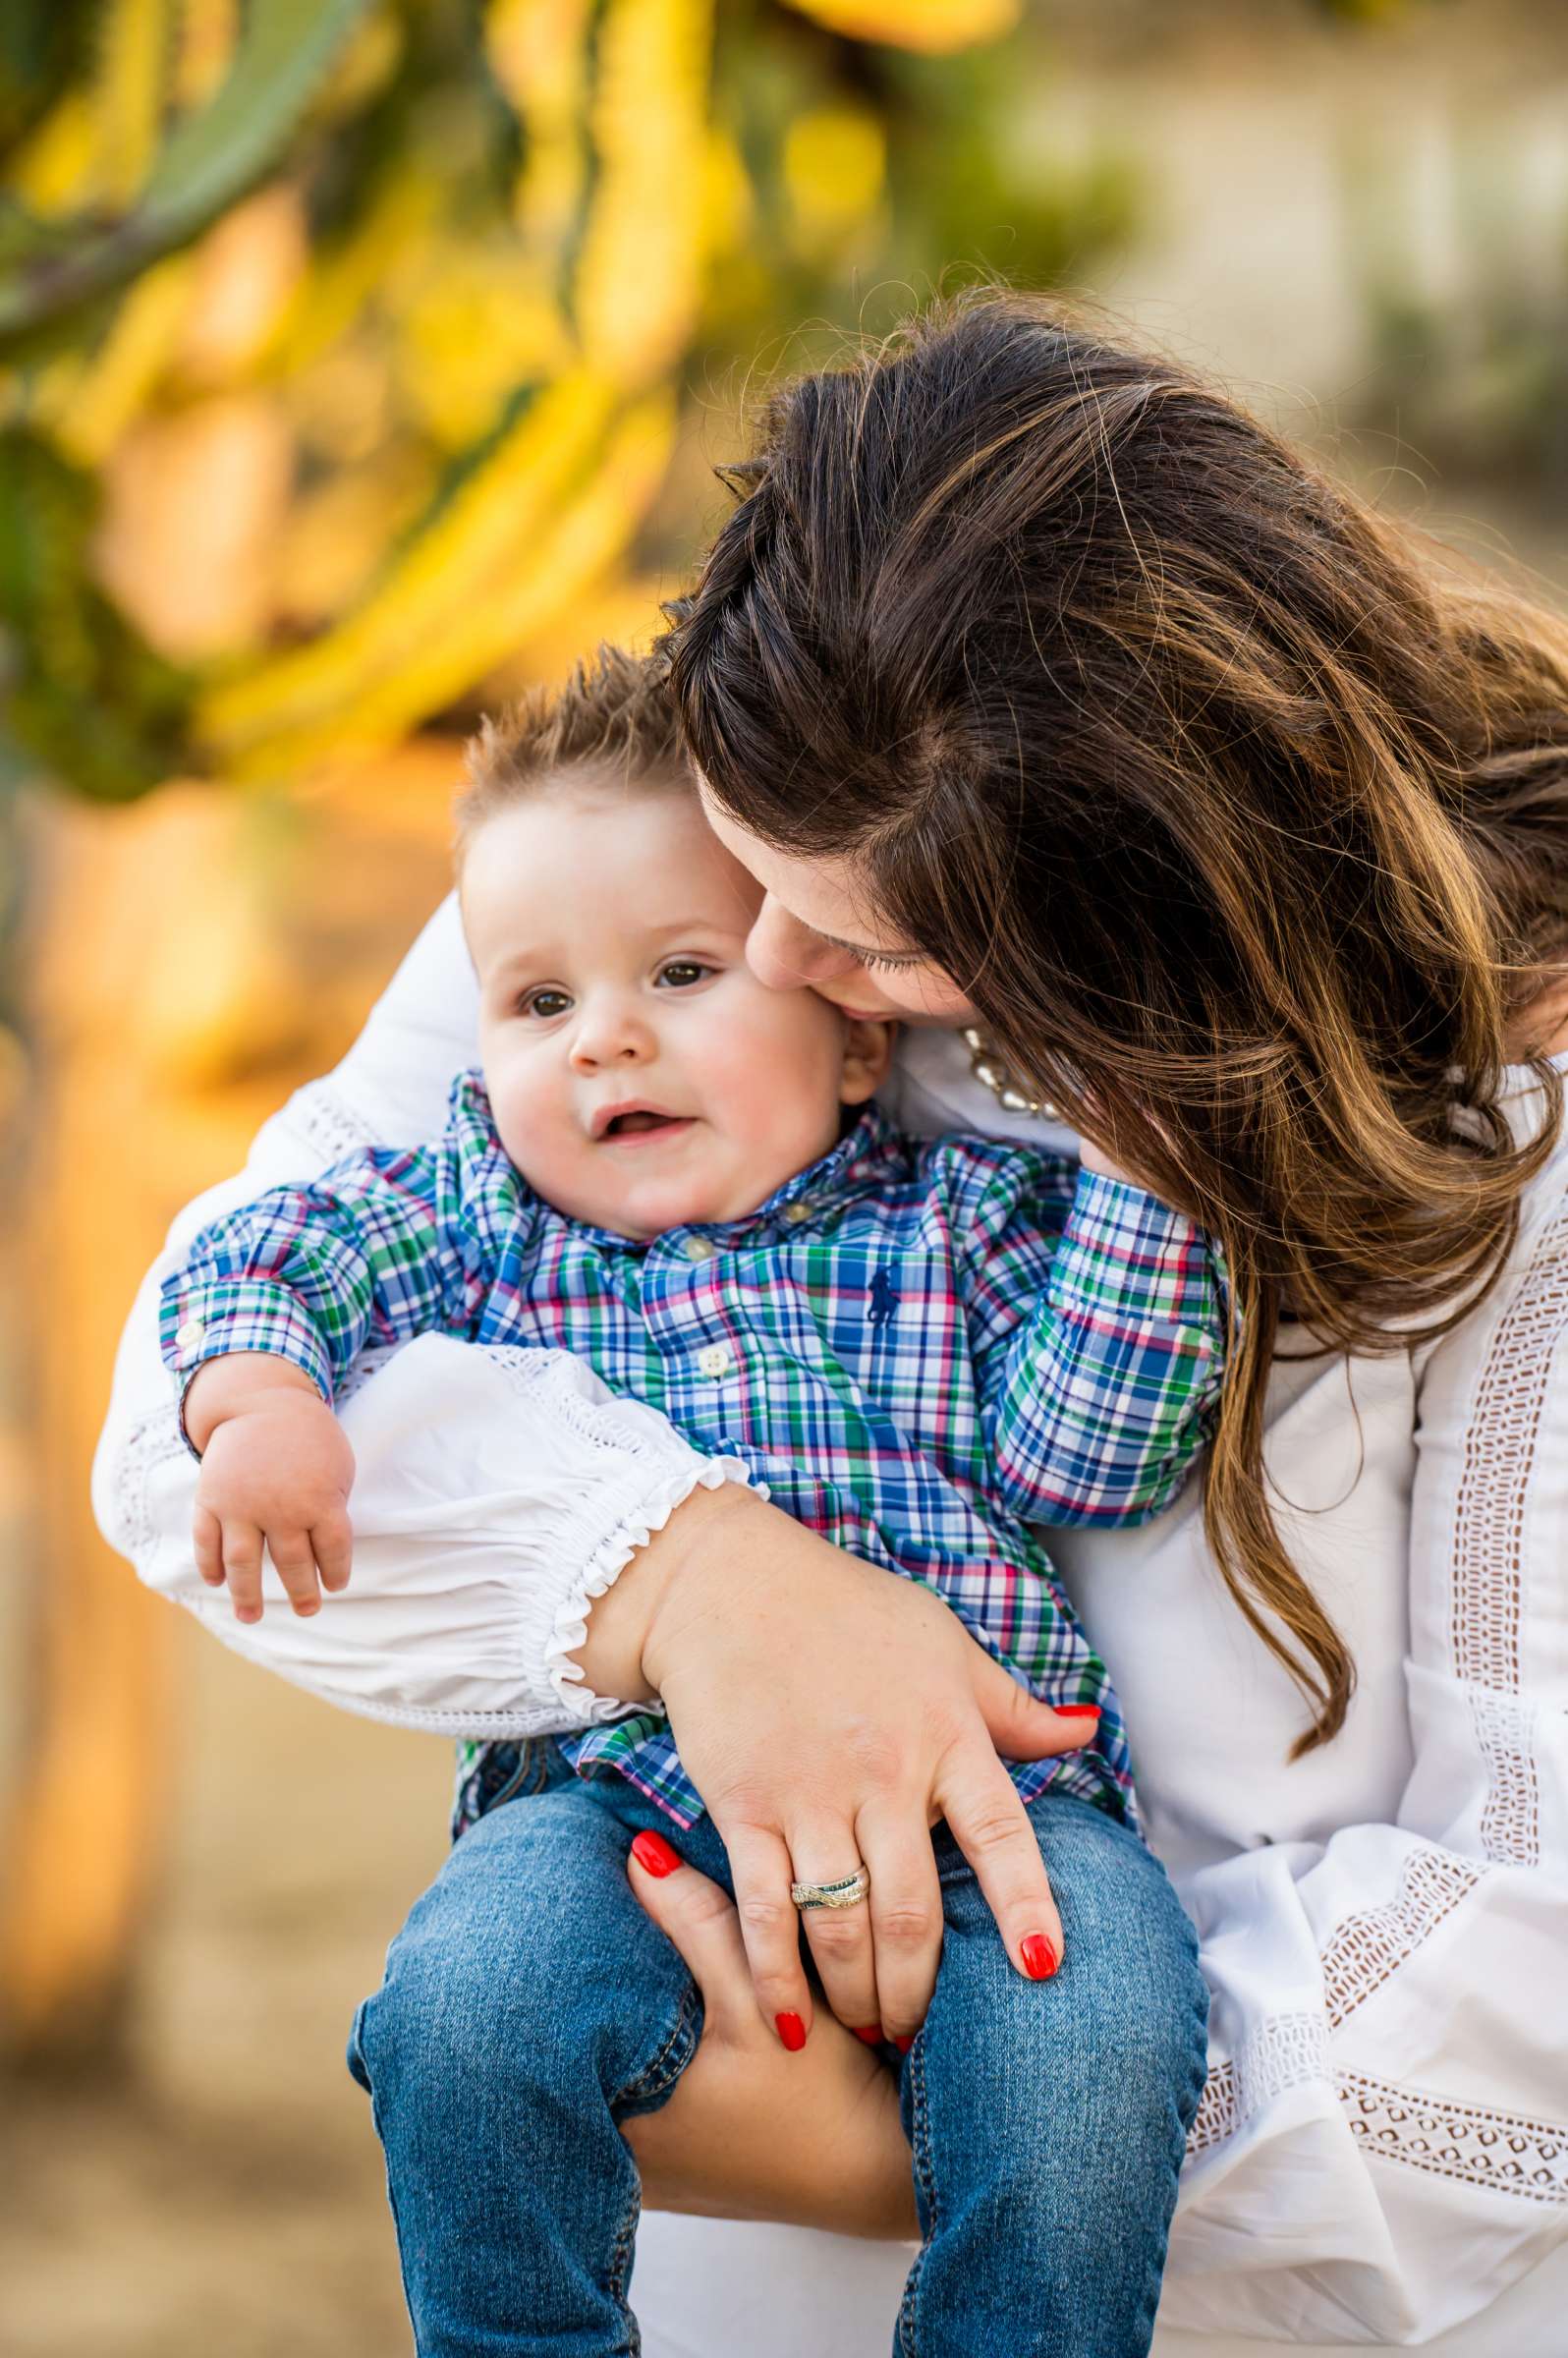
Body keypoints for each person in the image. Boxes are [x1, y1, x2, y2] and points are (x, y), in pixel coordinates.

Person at [93, 293, 1568, 2355]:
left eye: (864, 932)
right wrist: (698, 1582)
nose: (766, 961)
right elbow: (190, 1420)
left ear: (1126, 915)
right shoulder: (691, 863)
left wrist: (838, 2132)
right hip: (695, 2165)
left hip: (1283, 2280)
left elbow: (1537, 1967)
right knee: (468, 2008)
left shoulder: (1470, 1135)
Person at [154, 649, 1223, 2356]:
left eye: (679, 970)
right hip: (605, 1809)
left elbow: (1085, 1456)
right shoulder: (493, 1216)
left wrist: (1148, 1167)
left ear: (858, 1036)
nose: (610, 1038)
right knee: (464, 2008)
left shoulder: (955, 1222)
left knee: (1100, 2037)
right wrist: (261, 1392)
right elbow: (275, 1237)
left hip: (990, 1808)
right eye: (538, 1004)